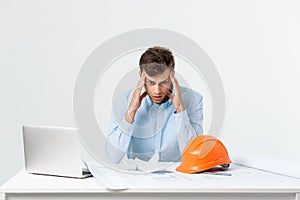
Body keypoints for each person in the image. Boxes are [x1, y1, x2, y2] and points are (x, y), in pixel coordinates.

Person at [105, 46, 203, 164]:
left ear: (172, 76)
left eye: (163, 82)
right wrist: (131, 113)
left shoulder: (193, 99)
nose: (157, 90)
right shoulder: (123, 100)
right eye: (150, 82)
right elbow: (112, 157)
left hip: (177, 177)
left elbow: (195, 157)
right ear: (141, 75)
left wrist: (181, 111)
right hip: (139, 177)